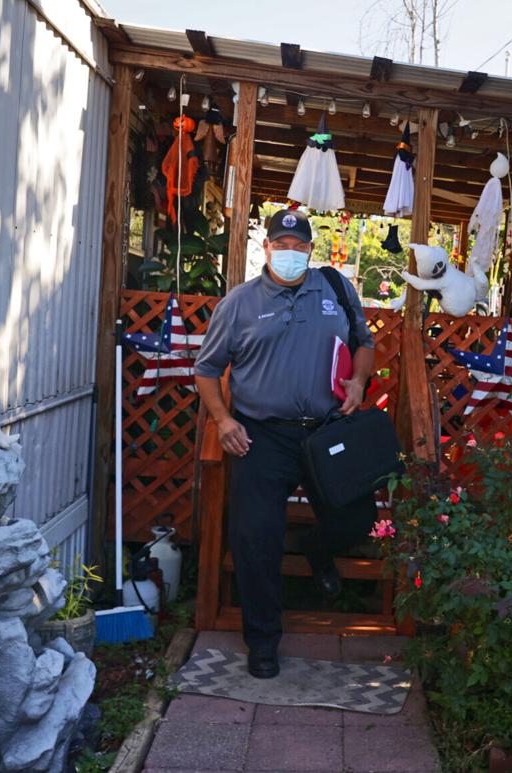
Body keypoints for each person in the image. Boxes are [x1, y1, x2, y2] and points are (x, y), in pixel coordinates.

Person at [193, 208, 377, 679]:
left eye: (299, 247)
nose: (290, 254)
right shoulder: (239, 303)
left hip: (326, 430)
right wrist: (223, 420)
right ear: (268, 248)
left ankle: (316, 549)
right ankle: (262, 641)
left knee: (360, 519)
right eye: (282, 245)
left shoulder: (335, 289)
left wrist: (358, 381)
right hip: (261, 435)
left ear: (310, 250)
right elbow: (208, 369)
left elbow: (363, 342)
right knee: (256, 537)